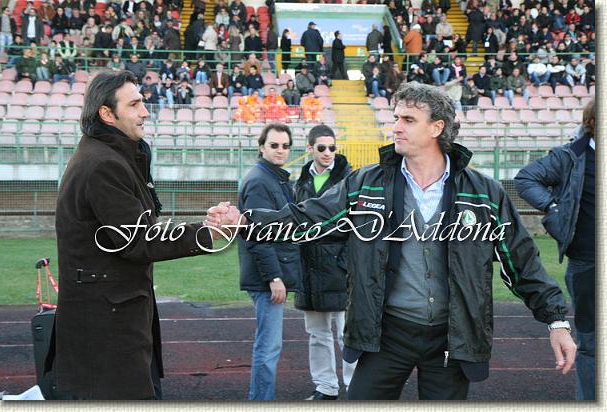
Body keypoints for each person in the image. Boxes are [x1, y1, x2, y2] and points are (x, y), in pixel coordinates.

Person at [207, 82, 576, 400]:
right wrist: (245, 221)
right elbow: (308, 220)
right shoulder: (365, 184)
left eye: (408, 120)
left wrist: (556, 321)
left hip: (453, 337)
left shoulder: (484, 193)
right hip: (385, 334)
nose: (395, 127)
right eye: (396, 117)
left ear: (437, 128)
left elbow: (521, 262)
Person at [50, 70, 223, 400]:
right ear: (107, 114)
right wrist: (208, 232)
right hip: (106, 330)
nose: (145, 112)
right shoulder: (103, 164)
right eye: (134, 104)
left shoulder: (111, 156)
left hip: (111, 320)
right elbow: (139, 239)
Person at [515, 99, 595, 401]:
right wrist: (553, 207)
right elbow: (525, 178)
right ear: (594, 122)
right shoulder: (569, 156)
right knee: (591, 343)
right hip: (587, 263)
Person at [237, 123, 301, 400]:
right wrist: (274, 277)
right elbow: (257, 234)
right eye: (274, 145)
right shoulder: (260, 181)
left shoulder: (275, 178)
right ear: (262, 147)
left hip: (270, 274)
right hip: (266, 278)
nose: (280, 150)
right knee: (268, 347)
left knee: (269, 345)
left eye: (285, 146)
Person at [294, 125, 356, 401]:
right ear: (310, 149)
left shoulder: (349, 179)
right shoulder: (301, 180)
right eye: (322, 147)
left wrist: (345, 261)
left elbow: (358, 225)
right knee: (317, 334)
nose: (328, 152)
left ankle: (355, 387)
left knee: (347, 334)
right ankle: (325, 387)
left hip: (341, 268)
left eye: (332, 147)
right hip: (310, 268)